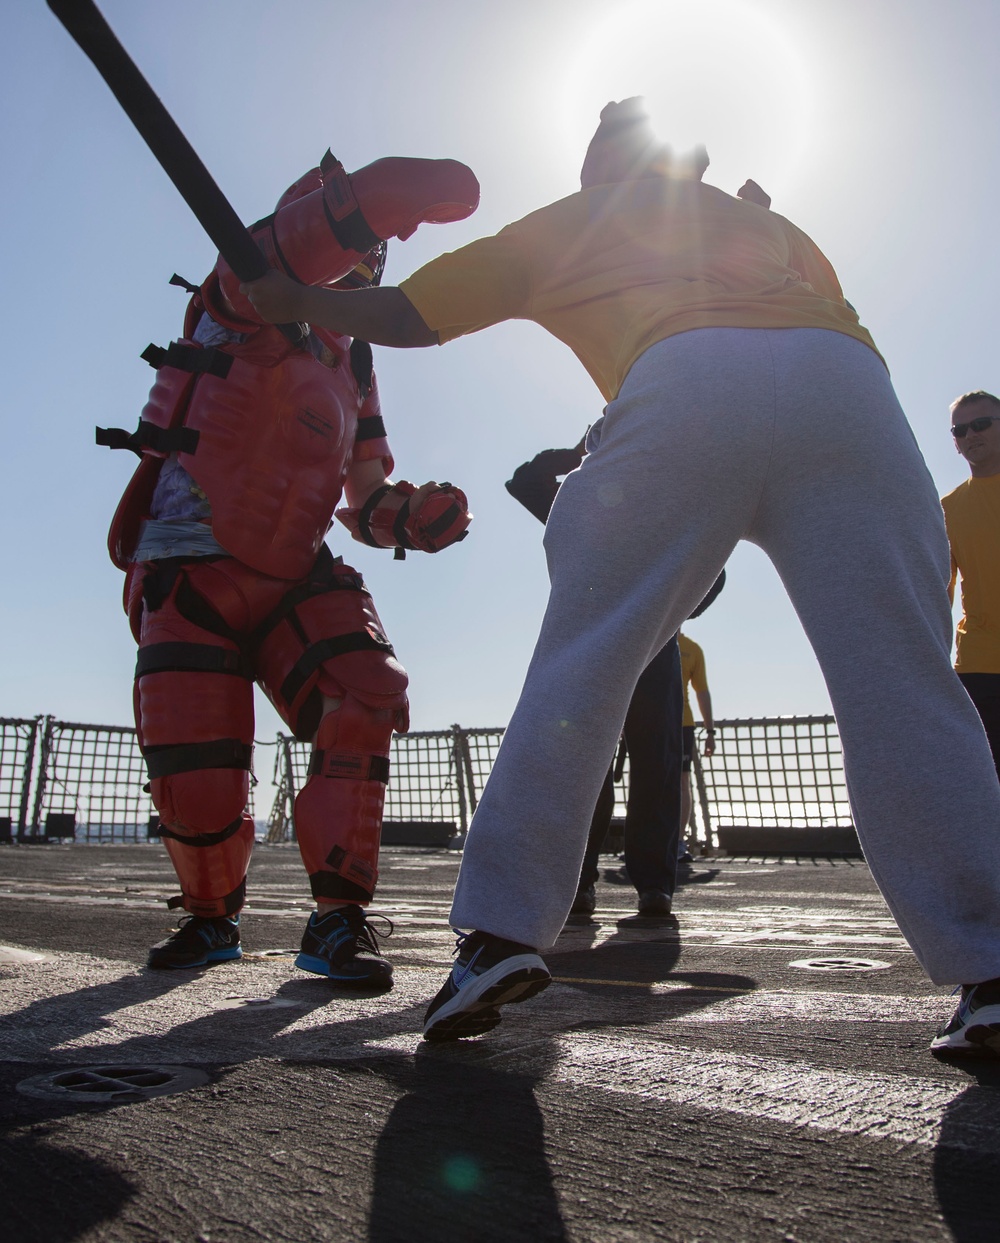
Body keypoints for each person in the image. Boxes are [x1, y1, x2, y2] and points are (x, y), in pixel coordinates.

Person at [242, 98, 1000, 1056]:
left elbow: (408, 313)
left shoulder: (574, 218)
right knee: (904, 682)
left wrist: (300, 301)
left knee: (584, 663)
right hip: (850, 388)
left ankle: (501, 937)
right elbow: (802, 314)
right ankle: (994, 968)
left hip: (686, 382)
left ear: (602, 163)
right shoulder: (770, 224)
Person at [103, 150, 479, 981]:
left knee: (366, 687)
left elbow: (367, 497)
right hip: (191, 565)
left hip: (296, 567)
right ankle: (208, 918)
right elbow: (289, 251)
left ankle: (339, 922)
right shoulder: (238, 293)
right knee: (196, 765)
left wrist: (411, 515)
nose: (366, 259)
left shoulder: (357, 364)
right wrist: (381, 198)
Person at [506, 441, 724, 916]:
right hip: (620, 647)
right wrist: (583, 450)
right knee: (619, 768)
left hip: (615, 647)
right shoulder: (601, 509)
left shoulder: (598, 512)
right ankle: (616, 885)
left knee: (637, 767)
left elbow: (715, 570)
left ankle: (638, 887)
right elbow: (524, 482)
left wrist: (672, 614)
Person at [942, 391, 1000, 778]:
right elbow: (937, 594)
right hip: (979, 667)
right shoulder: (945, 509)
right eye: (960, 430)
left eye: (981, 424)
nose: (970, 435)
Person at [677, 630, 716, 858]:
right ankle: (643, 842)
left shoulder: (692, 649)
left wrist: (710, 731)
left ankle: (678, 842)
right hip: (650, 724)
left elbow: (702, 691)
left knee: (682, 780)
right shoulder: (650, 641)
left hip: (682, 724)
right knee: (646, 781)